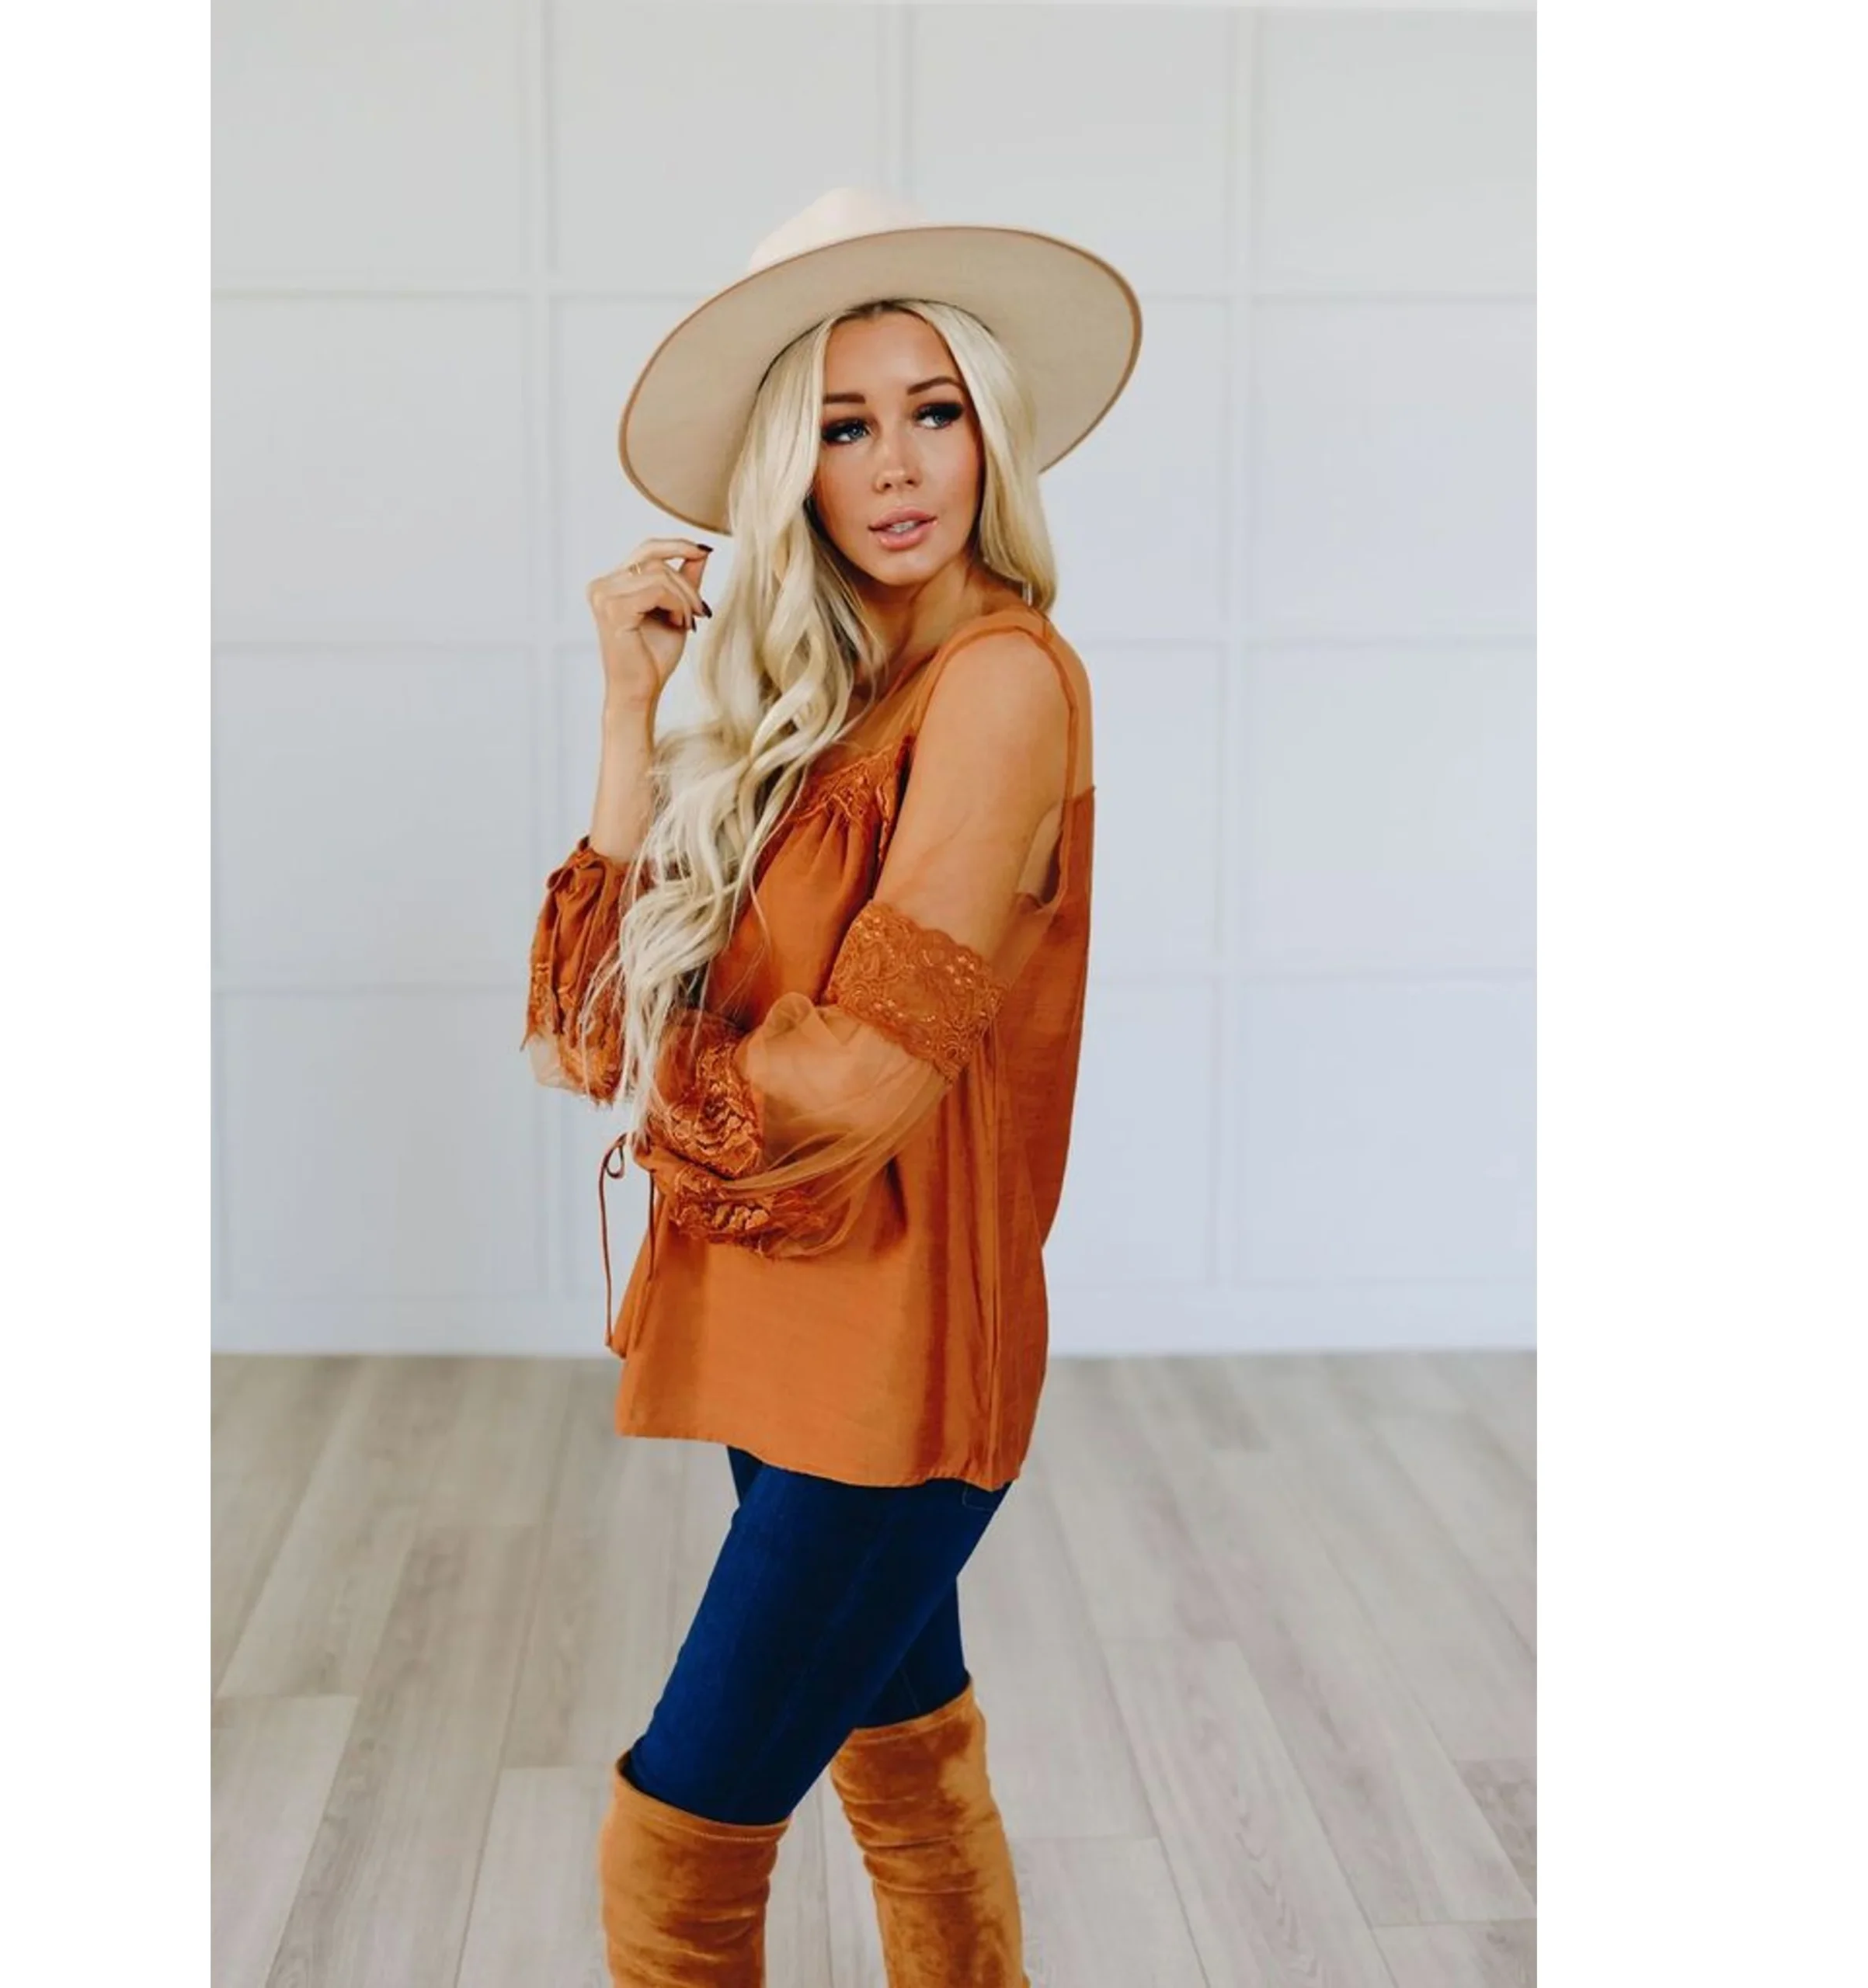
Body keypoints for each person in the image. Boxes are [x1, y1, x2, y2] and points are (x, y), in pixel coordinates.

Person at [522, 186, 1140, 1986]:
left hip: (902, 1350)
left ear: (988, 432)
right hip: (782, 1312)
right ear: (788, 464)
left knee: (682, 1827)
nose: (897, 464)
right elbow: (586, 1027)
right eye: (844, 425)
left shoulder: (1001, 680)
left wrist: (668, 1100)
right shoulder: (821, 698)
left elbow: (867, 1061)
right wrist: (631, 711)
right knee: (902, 1753)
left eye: (931, 411)